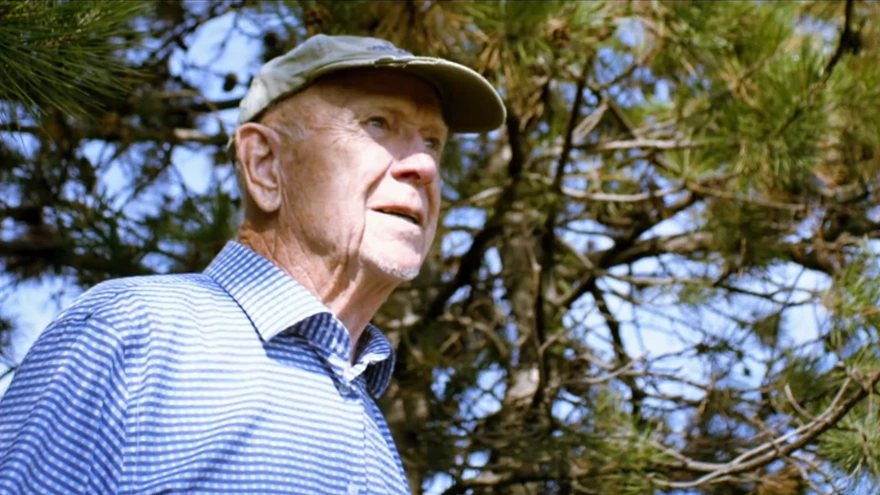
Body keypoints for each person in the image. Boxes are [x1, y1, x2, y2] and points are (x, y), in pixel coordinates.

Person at [0, 34, 504, 495]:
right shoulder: (135, 334)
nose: (425, 167)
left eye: (433, 141)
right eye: (378, 123)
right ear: (264, 165)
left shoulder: (371, 424)